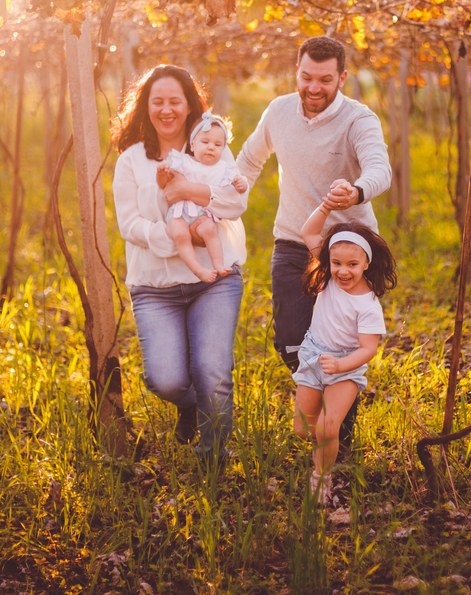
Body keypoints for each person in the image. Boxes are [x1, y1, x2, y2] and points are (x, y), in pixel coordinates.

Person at [237, 35, 392, 459]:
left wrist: (357, 192)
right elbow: (248, 162)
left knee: (345, 341)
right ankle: (328, 403)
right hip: (293, 239)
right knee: (290, 338)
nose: (314, 88)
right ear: (297, 72)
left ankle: (339, 431)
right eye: (307, 77)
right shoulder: (279, 111)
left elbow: (380, 168)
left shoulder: (359, 119)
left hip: (350, 249)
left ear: (341, 78)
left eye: (325, 79)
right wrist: (228, 195)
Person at [111, 65, 247, 459]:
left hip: (215, 280)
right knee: (165, 381)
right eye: (158, 102)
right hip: (155, 287)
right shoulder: (131, 160)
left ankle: (214, 459)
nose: (166, 109)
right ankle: (188, 404)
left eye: (175, 101)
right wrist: (175, 237)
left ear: (190, 106)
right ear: (145, 107)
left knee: (213, 373)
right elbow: (129, 224)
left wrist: (191, 189)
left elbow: (237, 203)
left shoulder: (212, 146)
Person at [292, 205, 396, 503]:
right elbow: (308, 232)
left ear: (366, 263)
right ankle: (329, 444)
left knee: (327, 426)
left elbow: (368, 349)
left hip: (346, 366)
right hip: (313, 357)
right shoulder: (327, 275)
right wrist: (325, 206)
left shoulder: (368, 305)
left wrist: (339, 366)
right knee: (302, 429)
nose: (343, 271)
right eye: (336, 263)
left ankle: (321, 477)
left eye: (352, 264)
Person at [161, 111, 248, 283]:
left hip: (202, 215)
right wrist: (163, 172)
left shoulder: (222, 168)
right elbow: (167, 182)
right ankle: (198, 269)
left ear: (223, 149)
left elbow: (238, 185)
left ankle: (218, 264)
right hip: (179, 212)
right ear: (192, 145)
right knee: (181, 235)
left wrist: (241, 184)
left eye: (217, 145)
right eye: (205, 142)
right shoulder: (184, 161)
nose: (211, 147)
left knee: (210, 229)